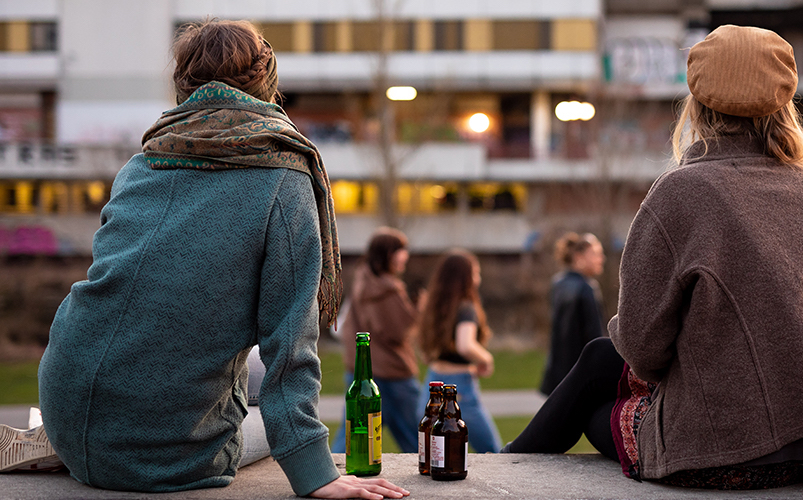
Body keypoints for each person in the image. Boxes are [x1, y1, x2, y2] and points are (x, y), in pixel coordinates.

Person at [1, 19, 408, 500]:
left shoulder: (143, 162)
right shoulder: (284, 174)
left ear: (184, 83)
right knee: (262, 404)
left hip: (68, 398)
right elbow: (290, 342)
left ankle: (69, 439)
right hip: (163, 453)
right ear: (266, 80)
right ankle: (119, 443)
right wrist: (316, 474)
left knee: (247, 370)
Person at [502, 25, 803, 489]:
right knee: (597, 357)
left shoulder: (680, 194)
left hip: (726, 454)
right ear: (785, 102)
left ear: (697, 104)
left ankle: (502, 466)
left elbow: (644, 351)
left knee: (597, 403)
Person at [331, 227, 421, 454]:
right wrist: (419, 311)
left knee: (352, 435)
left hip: (362, 370)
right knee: (418, 438)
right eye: (401, 250)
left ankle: (333, 469)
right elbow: (397, 332)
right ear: (388, 254)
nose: (405, 256)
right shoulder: (386, 290)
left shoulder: (364, 282)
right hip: (392, 374)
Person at [415, 249, 503, 453]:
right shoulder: (465, 308)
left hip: (433, 380)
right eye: (476, 273)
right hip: (459, 387)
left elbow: (425, 352)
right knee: (493, 450)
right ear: (465, 278)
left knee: (432, 447)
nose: (478, 279)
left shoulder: (435, 307)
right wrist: (486, 359)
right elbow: (465, 345)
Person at [539, 232, 606, 396]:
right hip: (581, 376)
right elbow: (595, 338)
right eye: (595, 254)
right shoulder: (587, 287)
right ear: (579, 257)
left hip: (558, 374)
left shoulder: (558, 284)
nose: (601, 259)